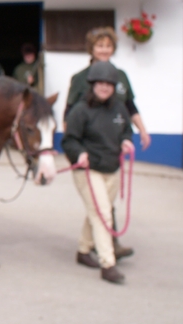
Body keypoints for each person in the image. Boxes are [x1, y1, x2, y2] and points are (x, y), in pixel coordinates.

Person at [63, 27, 149, 258]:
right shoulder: (80, 78)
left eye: (108, 46)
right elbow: (69, 113)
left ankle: (90, 246)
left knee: (103, 204)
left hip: (112, 144)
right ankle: (108, 253)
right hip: (89, 149)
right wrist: (74, 149)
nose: (104, 50)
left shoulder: (120, 76)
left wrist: (141, 131)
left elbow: (129, 107)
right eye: (99, 45)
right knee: (101, 206)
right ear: (91, 48)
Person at [61, 61, 135, 284]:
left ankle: (84, 251)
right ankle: (108, 264)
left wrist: (126, 142)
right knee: (102, 213)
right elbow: (69, 140)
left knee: (98, 211)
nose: (104, 87)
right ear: (92, 84)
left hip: (112, 168)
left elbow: (127, 131)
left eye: (109, 84)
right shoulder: (80, 110)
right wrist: (79, 153)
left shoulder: (119, 109)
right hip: (88, 169)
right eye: (100, 83)